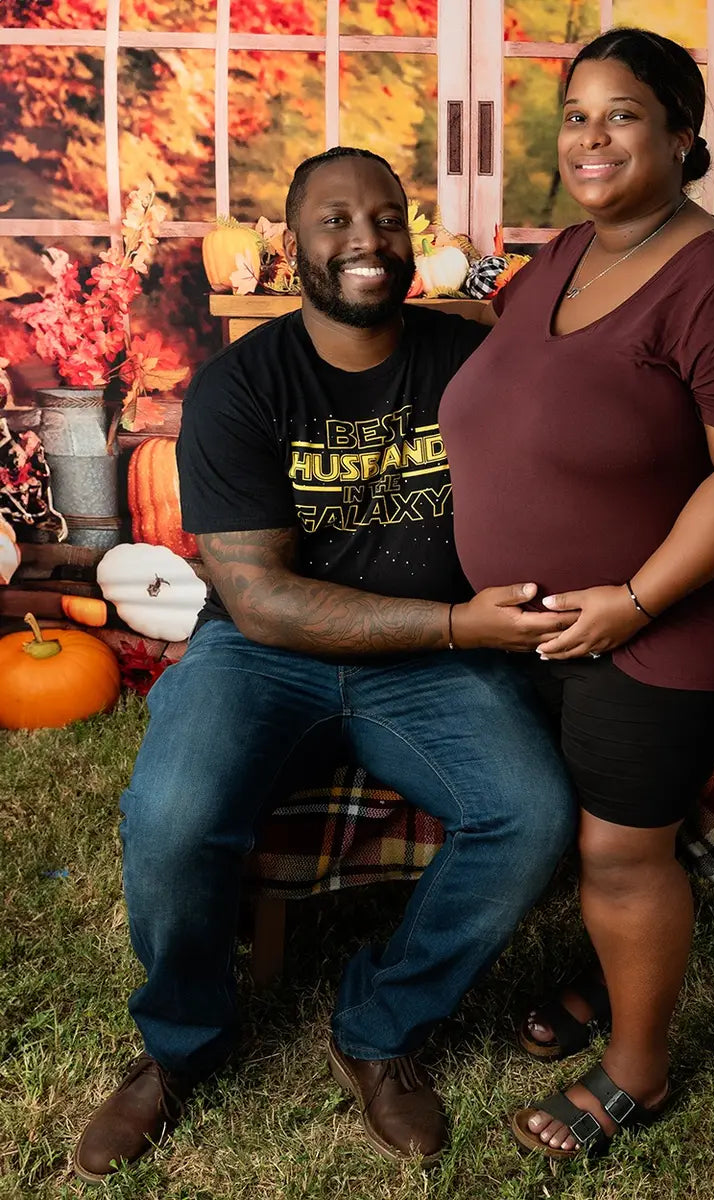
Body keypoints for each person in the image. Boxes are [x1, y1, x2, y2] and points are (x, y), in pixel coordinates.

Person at [72, 147, 581, 1182]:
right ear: (291, 243)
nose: (366, 243)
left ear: (413, 238)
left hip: (428, 662)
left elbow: (579, 369)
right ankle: (182, 1044)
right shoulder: (241, 386)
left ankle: (380, 1024)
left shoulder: (466, 358)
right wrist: (457, 629)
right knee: (171, 815)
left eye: (388, 220)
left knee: (530, 814)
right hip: (266, 654)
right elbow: (258, 596)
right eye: (337, 222)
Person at [440, 27, 714, 1158]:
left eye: (624, 114)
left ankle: (639, 1072)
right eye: (579, 114)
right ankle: (612, 981)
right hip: (549, 618)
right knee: (592, 823)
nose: (592, 137)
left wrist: (635, 602)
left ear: (683, 136)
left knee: (619, 853)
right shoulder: (566, 252)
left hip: (665, 625)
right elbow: (534, 372)